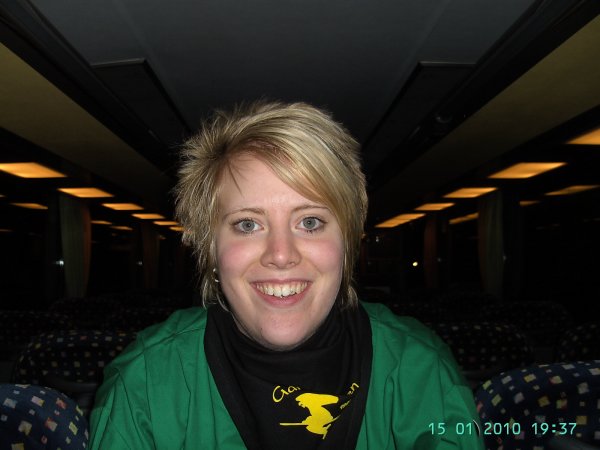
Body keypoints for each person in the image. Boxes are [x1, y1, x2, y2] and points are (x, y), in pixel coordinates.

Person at [89, 101, 484, 449]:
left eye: (310, 222)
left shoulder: (420, 370)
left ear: (348, 242)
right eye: (247, 224)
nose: (281, 255)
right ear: (210, 249)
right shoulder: (144, 383)